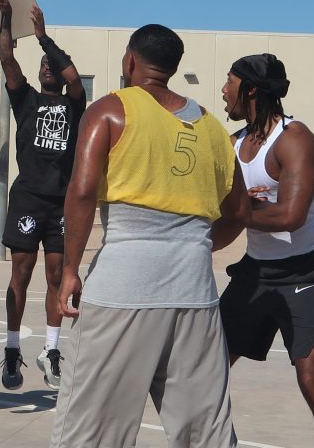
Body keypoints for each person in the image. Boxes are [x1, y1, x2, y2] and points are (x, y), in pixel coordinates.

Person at [52, 24, 249, 448]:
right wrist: (195, 245)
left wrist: (70, 269)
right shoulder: (214, 130)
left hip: (124, 288)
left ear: (130, 61)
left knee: (92, 426)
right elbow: (240, 213)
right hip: (194, 290)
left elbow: (82, 192)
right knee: (204, 429)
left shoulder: (109, 110)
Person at [219, 53, 314, 447]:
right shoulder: (233, 144)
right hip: (255, 275)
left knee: (313, 380)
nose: (223, 91)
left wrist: (241, 210)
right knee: (204, 370)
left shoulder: (295, 140)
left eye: (229, 82)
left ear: (251, 89)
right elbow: (227, 220)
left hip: (306, 276)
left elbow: (291, 216)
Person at [0, 0, 86, 390]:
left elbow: (75, 78)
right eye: (43, 64)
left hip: (61, 204)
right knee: (20, 275)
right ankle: (12, 350)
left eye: (52, 66)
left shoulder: (75, 104)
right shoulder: (24, 98)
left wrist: (45, 40)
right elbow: (7, 58)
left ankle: (51, 350)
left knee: (57, 276)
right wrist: (7, 17)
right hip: (27, 198)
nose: (46, 68)